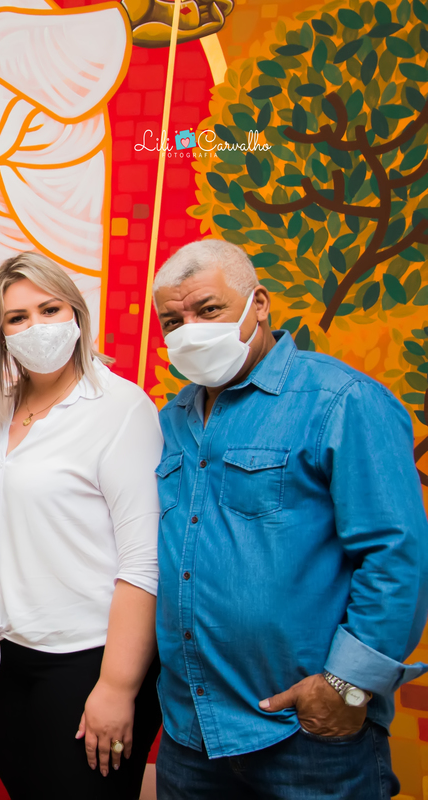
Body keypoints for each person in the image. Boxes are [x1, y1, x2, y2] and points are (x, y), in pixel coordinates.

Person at [150, 238, 428, 798]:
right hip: (190, 732)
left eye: (208, 310)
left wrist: (346, 686)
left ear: (259, 304)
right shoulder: (171, 420)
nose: (189, 331)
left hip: (305, 735)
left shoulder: (341, 399)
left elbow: (396, 554)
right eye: (171, 321)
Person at [0, 253, 163, 799]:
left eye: (49, 309)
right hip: (5, 658)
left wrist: (118, 687)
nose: (36, 327)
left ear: (76, 314)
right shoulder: (1, 411)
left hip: (87, 662)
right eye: (17, 318)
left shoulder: (121, 408)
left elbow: (144, 559)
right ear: (1, 334)